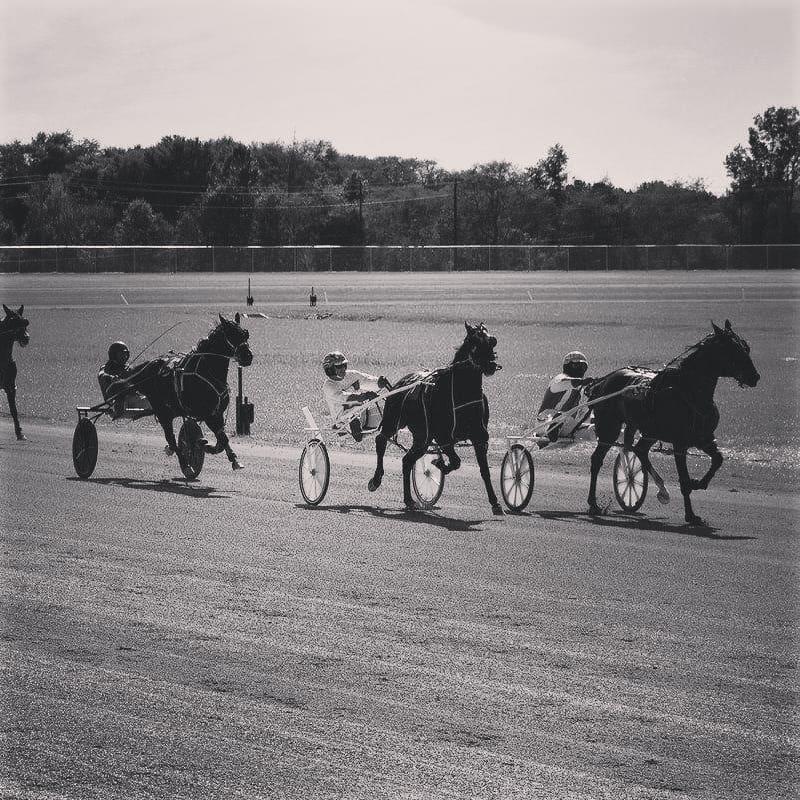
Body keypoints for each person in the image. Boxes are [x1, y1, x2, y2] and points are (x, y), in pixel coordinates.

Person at [322, 351, 390, 442]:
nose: (343, 369)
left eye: (344, 365)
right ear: (329, 369)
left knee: (391, 413)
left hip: (363, 415)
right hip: (343, 421)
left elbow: (367, 381)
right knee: (355, 426)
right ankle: (348, 431)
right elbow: (345, 398)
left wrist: (379, 383)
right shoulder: (329, 386)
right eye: (338, 366)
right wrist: (364, 396)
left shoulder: (352, 375)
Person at [536, 351, 594, 447]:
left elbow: (583, 412)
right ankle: (554, 427)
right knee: (561, 416)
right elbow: (565, 383)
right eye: (576, 366)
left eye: (582, 367)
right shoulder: (560, 379)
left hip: (568, 428)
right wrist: (582, 382)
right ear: (567, 366)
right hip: (545, 422)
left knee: (596, 429)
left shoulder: (581, 389)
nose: (580, 369)